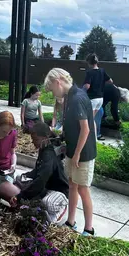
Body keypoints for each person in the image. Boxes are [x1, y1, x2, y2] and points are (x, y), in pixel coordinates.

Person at [44, 68, 97, 237]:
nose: (53, 94)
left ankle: (89, 228)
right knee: (72, 185)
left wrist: (77, 154)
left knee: (83, 189)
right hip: (73, 151)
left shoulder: (78, 98)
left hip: (83, 154)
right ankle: (70, 221)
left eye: (52, 89)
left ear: (57, 81)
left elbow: (86, 129)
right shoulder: (68, 98)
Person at [14, 122, 69, 223]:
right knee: (18, 179)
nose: (33, 142)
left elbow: (40, 180)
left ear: (45, 137)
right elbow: (38, 171)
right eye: (32, 139)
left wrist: (21, 196)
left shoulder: (49, 154)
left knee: (47, 203)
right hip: (46, 188)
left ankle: (61, 209)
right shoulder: (44, 148)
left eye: (36, 139)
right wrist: (25, 176)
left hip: (59, 191)